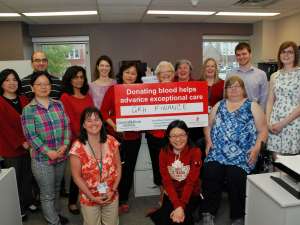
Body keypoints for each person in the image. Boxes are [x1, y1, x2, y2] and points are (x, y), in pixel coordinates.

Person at [201, 76, 268, 225]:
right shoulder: (220, 104)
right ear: (226, 91)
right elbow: (208, 124)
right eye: (230, 87)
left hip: (242, 153)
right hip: (218, 151)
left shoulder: (252, 106)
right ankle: (208, 212)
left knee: (235, 176)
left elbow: (263, 131)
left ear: (243, 89)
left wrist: (257, 148)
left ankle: (237, 216)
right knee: (210, 171)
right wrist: (208, 141)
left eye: (237, 86)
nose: (233, 89)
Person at [21, 71, 71, 225]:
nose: (43, 87)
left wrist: (65, 144)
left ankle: (56, 214)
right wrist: (48, 152)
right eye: (39, 84)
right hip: (42, 160)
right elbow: (31, 136)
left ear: (51, 86)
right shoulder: (29, 109)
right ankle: (53, 221)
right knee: (47, 193)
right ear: (32, 87)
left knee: (56, 189)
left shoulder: (58, 104)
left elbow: (67, 125)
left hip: (61, 155)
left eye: (47, 84)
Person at [100, 62, 142, 213]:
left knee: (128, 169)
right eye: (127, 72)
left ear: (137, 76)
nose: (130, 76)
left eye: (133, 73)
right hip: (115, 136)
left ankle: (123, 199)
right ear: (121, 74)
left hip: (134, 137)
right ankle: (110, 196)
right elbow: (103, 112)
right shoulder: (113, 90)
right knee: (113, 169)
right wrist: (115, 126)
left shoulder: (141, 90)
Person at [69, 107, 121, 225]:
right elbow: (76, 177)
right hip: (89, 196)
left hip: (110, 194)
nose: (94, 123)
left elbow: (118, 167)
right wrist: (91, 197)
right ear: (83, 124)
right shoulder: (77, 147)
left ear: (102, 122)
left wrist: (113, 190)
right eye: (89, 120)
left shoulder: (111, 141)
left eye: (97, 119)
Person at [149, 120, 202, 225]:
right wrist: (177, 205)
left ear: (187, 135)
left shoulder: (196, 152)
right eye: (173, 136)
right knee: (166, 220)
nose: (178, 139)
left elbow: (191, 182)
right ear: (168, 137)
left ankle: (194, 210)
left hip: (190, 193)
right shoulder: (163, 152)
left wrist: (180, 206)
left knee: (182, 219)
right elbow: (166, 182)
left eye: (182, 135)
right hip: (171, 193)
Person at [0, 69, 33, 221]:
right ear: (2, 83)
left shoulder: (24, 99)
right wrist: (21, 142)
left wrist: (30, 142)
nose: (12, 83)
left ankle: (28, 201)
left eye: (14, 79)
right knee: (16, 179)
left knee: (28, 176)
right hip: (10, 148)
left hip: (29, 146)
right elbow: (4, 127)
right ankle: (18, 207)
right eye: (7, 80)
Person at [61, 66, 94, 215]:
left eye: (81, 77)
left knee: (90, 171)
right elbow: (70, 121)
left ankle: (90, 195)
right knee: (78, 172)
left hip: (91, 138)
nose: (79, 80)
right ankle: (72, 201)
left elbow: (93, 117)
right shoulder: (65, 97)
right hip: (77, 140)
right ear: (69, 79)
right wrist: (82, 138)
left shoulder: (88, 96)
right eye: (75, 77)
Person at [146, 61, 175, 206]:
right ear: (157, 75)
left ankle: (174, 196)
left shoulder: (180, 89)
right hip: (155, 136)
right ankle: (163, 196)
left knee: (174, 167)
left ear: (173, 73)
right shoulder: (150, 89)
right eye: (162, 72)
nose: (165, 74)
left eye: (168, 71)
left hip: (174, 137)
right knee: (159, 168)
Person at [266, 41, 300, 158]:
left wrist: (283, 123)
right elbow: (270, 100)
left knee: (290, 164)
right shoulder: (274, 75)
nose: (286, 55)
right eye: (283, 52)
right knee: (277, 161)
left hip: (293, 123)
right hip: (274, 122)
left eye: (290, 52)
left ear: (295, 54)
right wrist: (268, 122)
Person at [227, 42, 268, 109]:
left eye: (244, 54)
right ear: (236, 57)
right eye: (238, 55)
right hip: (234, 113)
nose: (241, 57)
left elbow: (264, 99)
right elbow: (226, 97)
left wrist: (260, 114)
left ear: (250, 54)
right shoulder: (230, 74)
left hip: (254, 114)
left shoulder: (261, 74)